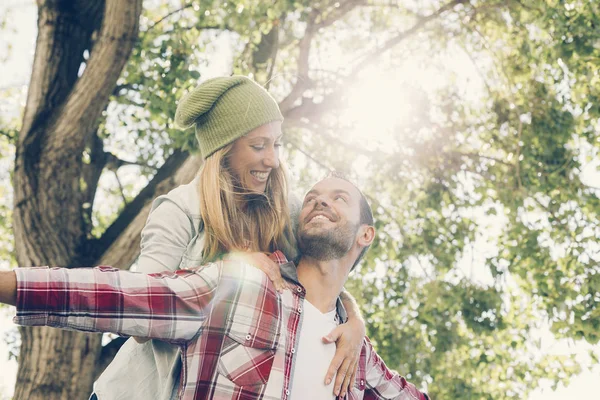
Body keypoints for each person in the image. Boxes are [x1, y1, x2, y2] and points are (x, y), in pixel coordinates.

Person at [0, 174, 431, 400]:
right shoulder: (241, 285)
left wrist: (353, 318)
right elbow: (118, 293)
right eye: (314, 195)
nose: (320, 199)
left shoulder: (357, 357)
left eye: (339, 197)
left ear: (365, 234)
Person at [93, 76, 366, 399]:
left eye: (276, 144)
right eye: (258, 146)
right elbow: (138, 319)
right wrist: (234, 265)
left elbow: (319, 274)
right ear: (225, 149)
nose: (272, 160)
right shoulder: (180, 209)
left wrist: (355, 319)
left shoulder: (284, 210)